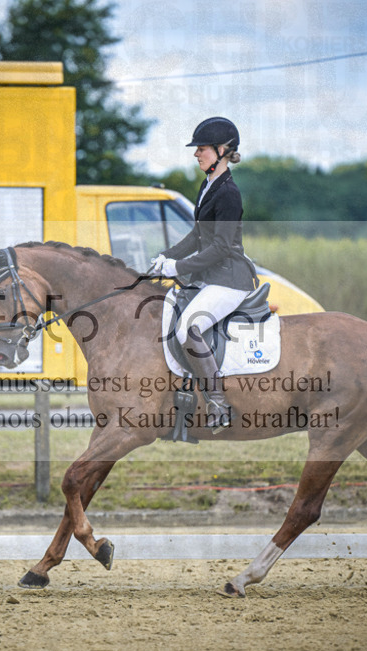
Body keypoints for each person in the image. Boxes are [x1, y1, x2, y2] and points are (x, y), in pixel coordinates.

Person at [150, 116, 256, 432]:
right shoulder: (209, 185)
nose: (196, 153)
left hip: (231, 279)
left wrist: (179, 268)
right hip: (213, 277)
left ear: (223, 150)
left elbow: (222, 247)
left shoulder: (228, 193)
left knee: (189, 328)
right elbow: (198, 237)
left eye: (202, 148)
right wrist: (165, 257)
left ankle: (218, 404)